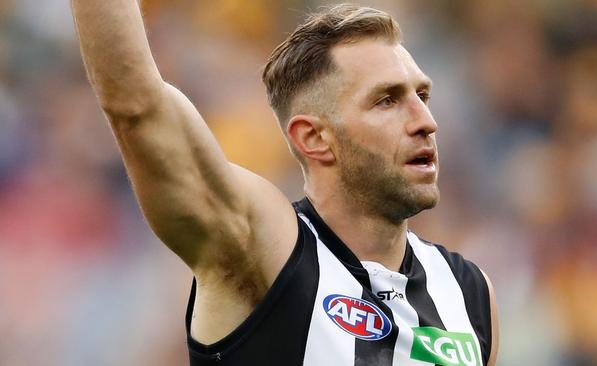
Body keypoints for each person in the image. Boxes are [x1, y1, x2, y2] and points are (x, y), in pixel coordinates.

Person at [71, 1, 499, 365]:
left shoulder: (469, 293)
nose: (427, 122)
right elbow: (136, 104)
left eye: (421, 96)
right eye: (387, 100)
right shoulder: (262, 251)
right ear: (314, 138)